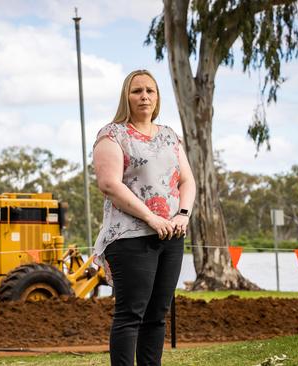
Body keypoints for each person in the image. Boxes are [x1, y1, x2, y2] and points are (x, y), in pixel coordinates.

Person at [92, 69, 196, 366]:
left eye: (150, 90)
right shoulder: (112, 135)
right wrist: (152, 218)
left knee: (157, 315)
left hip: (171, 236)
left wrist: (183, 216)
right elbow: (109, 184)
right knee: (131, 314)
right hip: (130, 237)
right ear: (126, 96)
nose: (145, 96)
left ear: (158, 96)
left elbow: (187, 181)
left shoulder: (169, 136)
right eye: (137, 91)